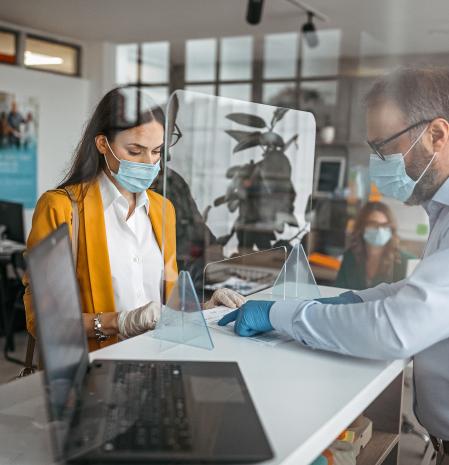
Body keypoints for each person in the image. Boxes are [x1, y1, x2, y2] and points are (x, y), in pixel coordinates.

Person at [219, 67, 449, 458]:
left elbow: (395, 330)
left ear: (437, 135)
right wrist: (351, 302)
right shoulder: (441, 210)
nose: (377, 162)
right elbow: (421, 295)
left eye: (384, 147)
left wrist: (281, 316)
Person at [23, 86, 244, 352]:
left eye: (156, 151)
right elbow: (44, 322)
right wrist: (120, 322)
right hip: (94, 372)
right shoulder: (60, 209)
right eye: (135, 151)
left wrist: (206, 309)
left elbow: (165, 306)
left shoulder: (163, 210)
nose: (149, 163)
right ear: (103, 143)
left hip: (157, 360)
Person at [335, 201, 414, 290]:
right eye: (373, 224)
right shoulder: (350, 257)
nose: (379, 230)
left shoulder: (406, 261)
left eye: (384, 225)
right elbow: (338, 292)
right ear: (361, 228)